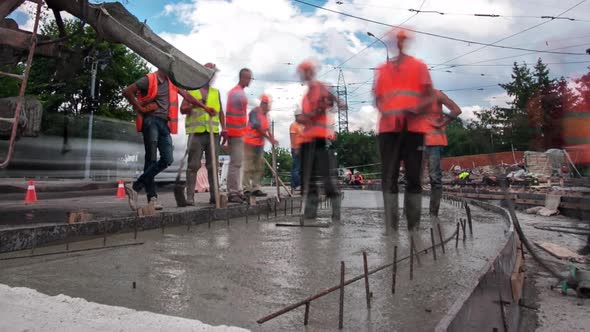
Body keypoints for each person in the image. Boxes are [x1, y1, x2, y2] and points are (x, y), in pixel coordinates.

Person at [372, 28, 436, 237]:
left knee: (413, 178)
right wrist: (388, 112)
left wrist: (416, 109)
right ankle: (391, 228)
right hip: (388, 131)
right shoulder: (382, 70)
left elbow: (429, 97)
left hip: (413, 130)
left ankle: (413, 228)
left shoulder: (419, 67)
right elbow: (378, 99)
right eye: (395, 40)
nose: (398, 43)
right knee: (388, 178)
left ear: (405, 42)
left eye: (402, 40)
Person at [122, 68, 213, 210]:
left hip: (164, 124)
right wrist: (138, 106)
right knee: (151, 159)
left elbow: (187, 96)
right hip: (150, 121)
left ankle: (135, 187)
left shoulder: (172, 82)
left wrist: (205, 107)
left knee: (167, 159)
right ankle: (152, 198)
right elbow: (127, 91)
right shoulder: (149, 79)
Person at [297, 59, 341, 221]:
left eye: (305, 72)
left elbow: (331, 101)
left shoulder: (320, 88)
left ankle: (336, 209)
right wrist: (304, 117)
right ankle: (310, 212)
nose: (303, 75)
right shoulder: (306, 95)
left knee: (325, 176)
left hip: (321, 139)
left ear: (310, 72)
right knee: (307, 177)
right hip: (307, 140)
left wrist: (320, 107)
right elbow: (305, 116)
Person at [180, 63, 226, 206]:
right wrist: (196, 104)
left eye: (212, 73)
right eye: (209, 73)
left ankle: (214, 196)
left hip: (213, 133)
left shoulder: (215, 92)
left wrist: (225, 128)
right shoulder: (191, 91)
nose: (211, 76)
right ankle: (190, 197)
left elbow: (221, 112)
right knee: (193, 165)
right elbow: (183, 109)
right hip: (196, 133)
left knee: (213, 166)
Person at [425, 90, 462, 217]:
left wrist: (441, 123)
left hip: (433, 142)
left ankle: (433, 215)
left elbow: (456, 110)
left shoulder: (437, 94)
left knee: (435, 178)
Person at [225, 68, 252, 203]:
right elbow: (233, 116)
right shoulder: (237, 94)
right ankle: (233, 192)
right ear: (242, 78)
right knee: (236, 163)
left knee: (239, 163)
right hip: (236, 133)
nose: (250, 81)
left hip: (239, 133)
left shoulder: (237, 92)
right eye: (248, 78)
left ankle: (238, 190)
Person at [242, 94, 277, 198]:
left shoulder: (267, 115)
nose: (268, 107)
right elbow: (257, 127)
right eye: (267, 104)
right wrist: (269, 138)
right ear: (263, 104)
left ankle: (256, 188)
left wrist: (271, 137)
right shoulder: (254, 112)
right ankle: (246, 189)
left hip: (259, 144)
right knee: (248, 166)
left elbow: (268, 128)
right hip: (249, 142)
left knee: (258, 167)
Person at [289, 108, 305, 192]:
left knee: (301, 168)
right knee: (296, 168)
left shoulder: (302, 125)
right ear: (296, 116)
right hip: (296, 149)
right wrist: (296, 148)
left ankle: (297, 185)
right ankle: (296, 185)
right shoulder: (294, 125)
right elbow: (293, 138)